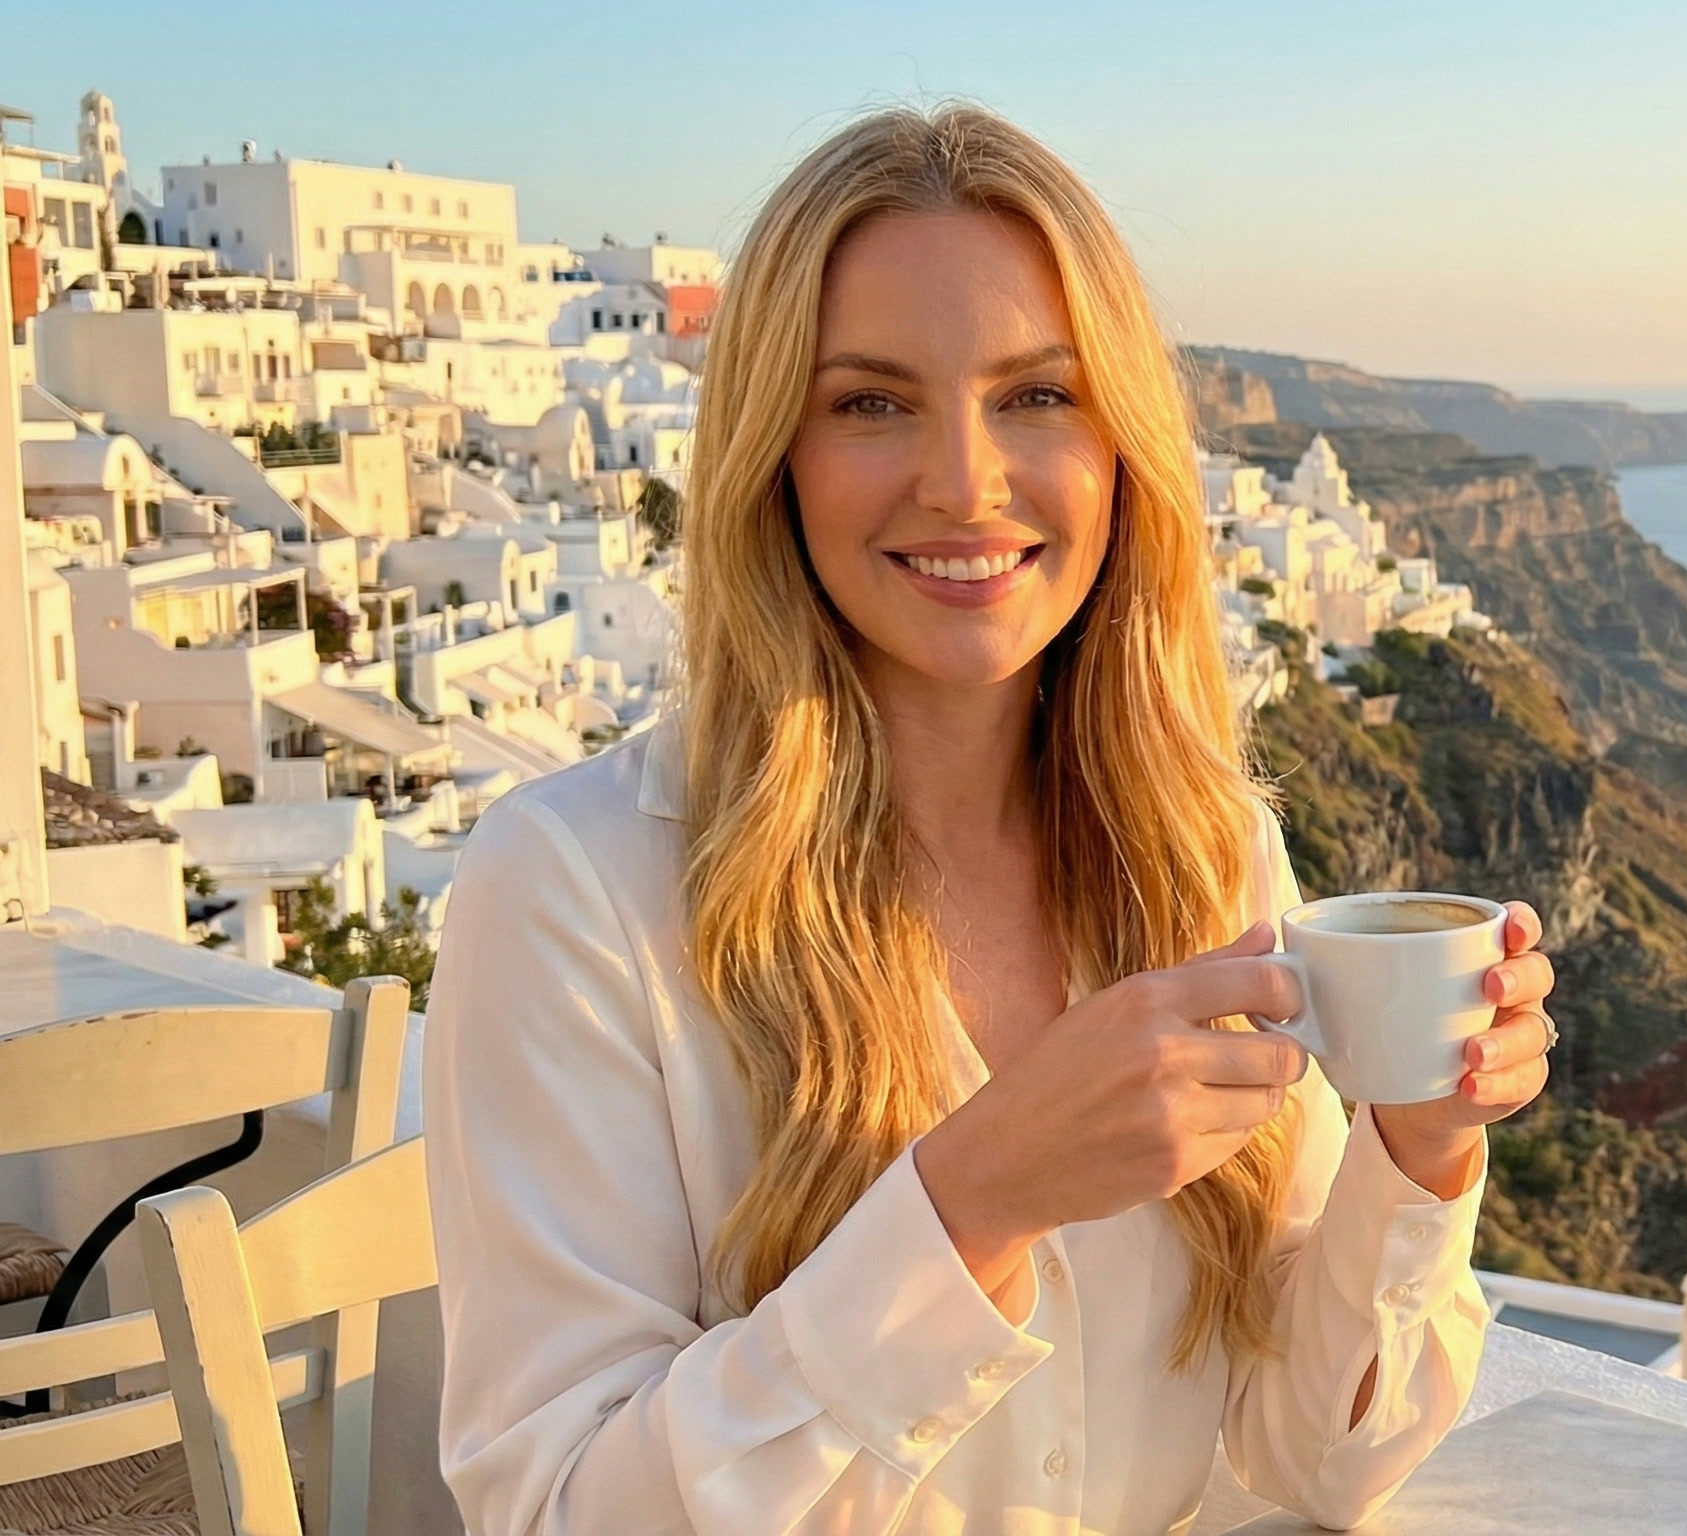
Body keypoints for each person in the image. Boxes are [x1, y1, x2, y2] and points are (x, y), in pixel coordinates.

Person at [422, 104, 1557, 1535]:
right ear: (774, 450)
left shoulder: (1205, 854)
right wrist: (967, 1205)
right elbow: (557, 1511)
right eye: (871, 401)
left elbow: (1314, 1459)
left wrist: (1422, 1144)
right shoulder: (576, 895)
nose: (965, 481)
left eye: (1036, 395)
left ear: (1120, 444)